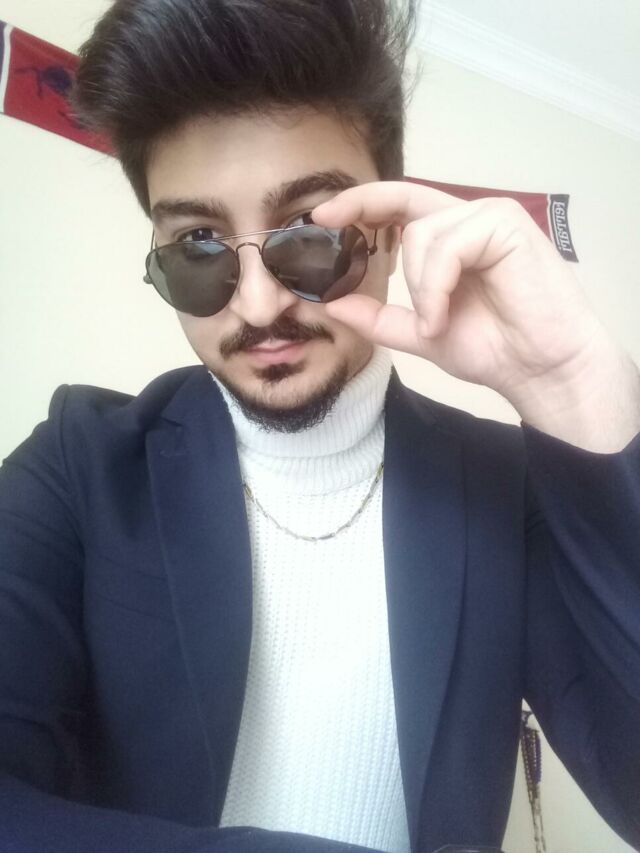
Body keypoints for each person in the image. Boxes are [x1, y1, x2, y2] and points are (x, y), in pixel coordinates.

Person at [0, 1, 638, 852]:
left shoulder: (503, 486)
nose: (259, 304)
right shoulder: (80, 462)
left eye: (308, 235)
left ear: (389, 233)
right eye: (198, 247)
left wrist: (580, 385)